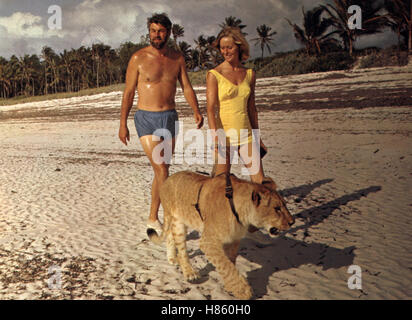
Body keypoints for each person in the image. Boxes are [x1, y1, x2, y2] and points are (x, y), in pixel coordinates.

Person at [119, 13, 203, 234]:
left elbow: (185, 86)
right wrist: (122, 123)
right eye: (153, 31)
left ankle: (152, 218)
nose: (157, 35)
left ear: (168, 32)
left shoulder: (177, 58)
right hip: (145, 118)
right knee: (162, 169)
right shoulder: (138, 58)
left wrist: (196, 110)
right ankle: (172, 219)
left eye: (161, 31)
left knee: (162, 171)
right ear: (149, 32)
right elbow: (128, 92)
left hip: (169, 118)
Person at [206, 27, 267, 184]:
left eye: (229, 47)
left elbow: (252, 109)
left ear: (239, 47)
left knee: (261, 183)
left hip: (245, 135)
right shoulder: (214, 74)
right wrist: (215, 138)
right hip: (223, 137)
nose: (225, 51)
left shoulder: (250, 74)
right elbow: (211, 109)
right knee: (218, 185)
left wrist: (257, 137)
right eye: (222, 48)